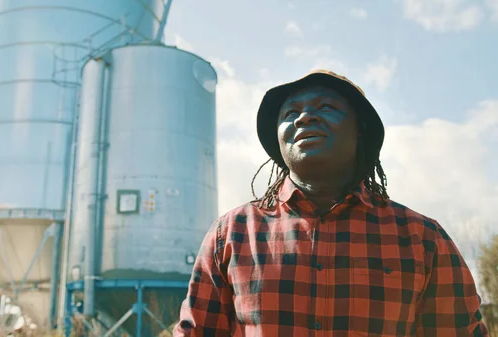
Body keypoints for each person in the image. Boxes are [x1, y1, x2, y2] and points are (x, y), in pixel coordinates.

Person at [173, 70, 488, 336]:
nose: (305, 117)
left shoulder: (422, 239)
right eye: (290, 113)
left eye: (325, 107)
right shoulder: (232, 233)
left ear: (359, 130)